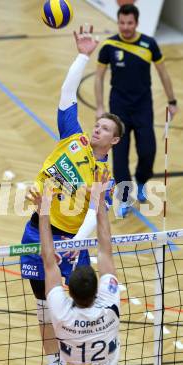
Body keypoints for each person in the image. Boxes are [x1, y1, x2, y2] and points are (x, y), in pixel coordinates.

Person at [20, 25, 123, 365]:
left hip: (73, 241)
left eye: (105, 128)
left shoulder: (104, 176)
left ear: (114, 140)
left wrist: (75, 244)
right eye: (97, 124)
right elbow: (66, 95)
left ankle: (77, 363)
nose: (97, 129)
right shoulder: (73, 139)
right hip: (39, 228)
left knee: (78, 308)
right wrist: (83, 54)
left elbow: (97, 216)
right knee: (45, 307)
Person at [27, 169, 120, 365]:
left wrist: (44, 211)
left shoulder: (62, 313)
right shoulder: (110, 308)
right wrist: (99, 198)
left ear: (69, 292)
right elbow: (105, 249)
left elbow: (49, 262)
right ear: (98, 290)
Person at [95, 4, 178, 218]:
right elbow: (98, 77)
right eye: (122, 23)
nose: (125, 27)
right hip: (119, 108)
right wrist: (100, 107)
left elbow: (163, 74)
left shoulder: (149, 44)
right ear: (118, 22)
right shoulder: (109, 45)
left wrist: (172, 100)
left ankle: (141, 181)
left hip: (142, 107)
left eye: (129, 23)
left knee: (148, 149)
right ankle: (124, 197)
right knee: (120, 156)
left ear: (137, 23)